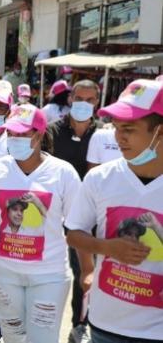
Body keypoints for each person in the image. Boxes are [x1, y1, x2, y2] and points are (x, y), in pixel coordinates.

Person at [66, 79, 163, 343]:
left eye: (129, 129)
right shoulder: (100, 178)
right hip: (104, 325)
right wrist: (102, 254)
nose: (118, 137)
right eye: (117, 127)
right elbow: (74, 233)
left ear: (160, 132)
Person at [0, 104, 80, 343]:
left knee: (42, 339)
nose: (15, 139)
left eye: (22, 134)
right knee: (13, 338)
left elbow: (77, 226)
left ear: (39, 134)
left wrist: (88, 270)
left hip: (49, 275)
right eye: (11, 133)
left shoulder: (63, 173)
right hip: (2, 273)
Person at [44, 80, 103, 343]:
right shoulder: (52, 132)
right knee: (54, 270)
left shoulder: (104, 135)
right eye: (80, 98)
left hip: (89, 217)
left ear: (97, 103)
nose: (84, 104)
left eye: (90, 100)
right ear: (70, 99)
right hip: (56, 215)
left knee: (85, 271)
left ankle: (80, 324)